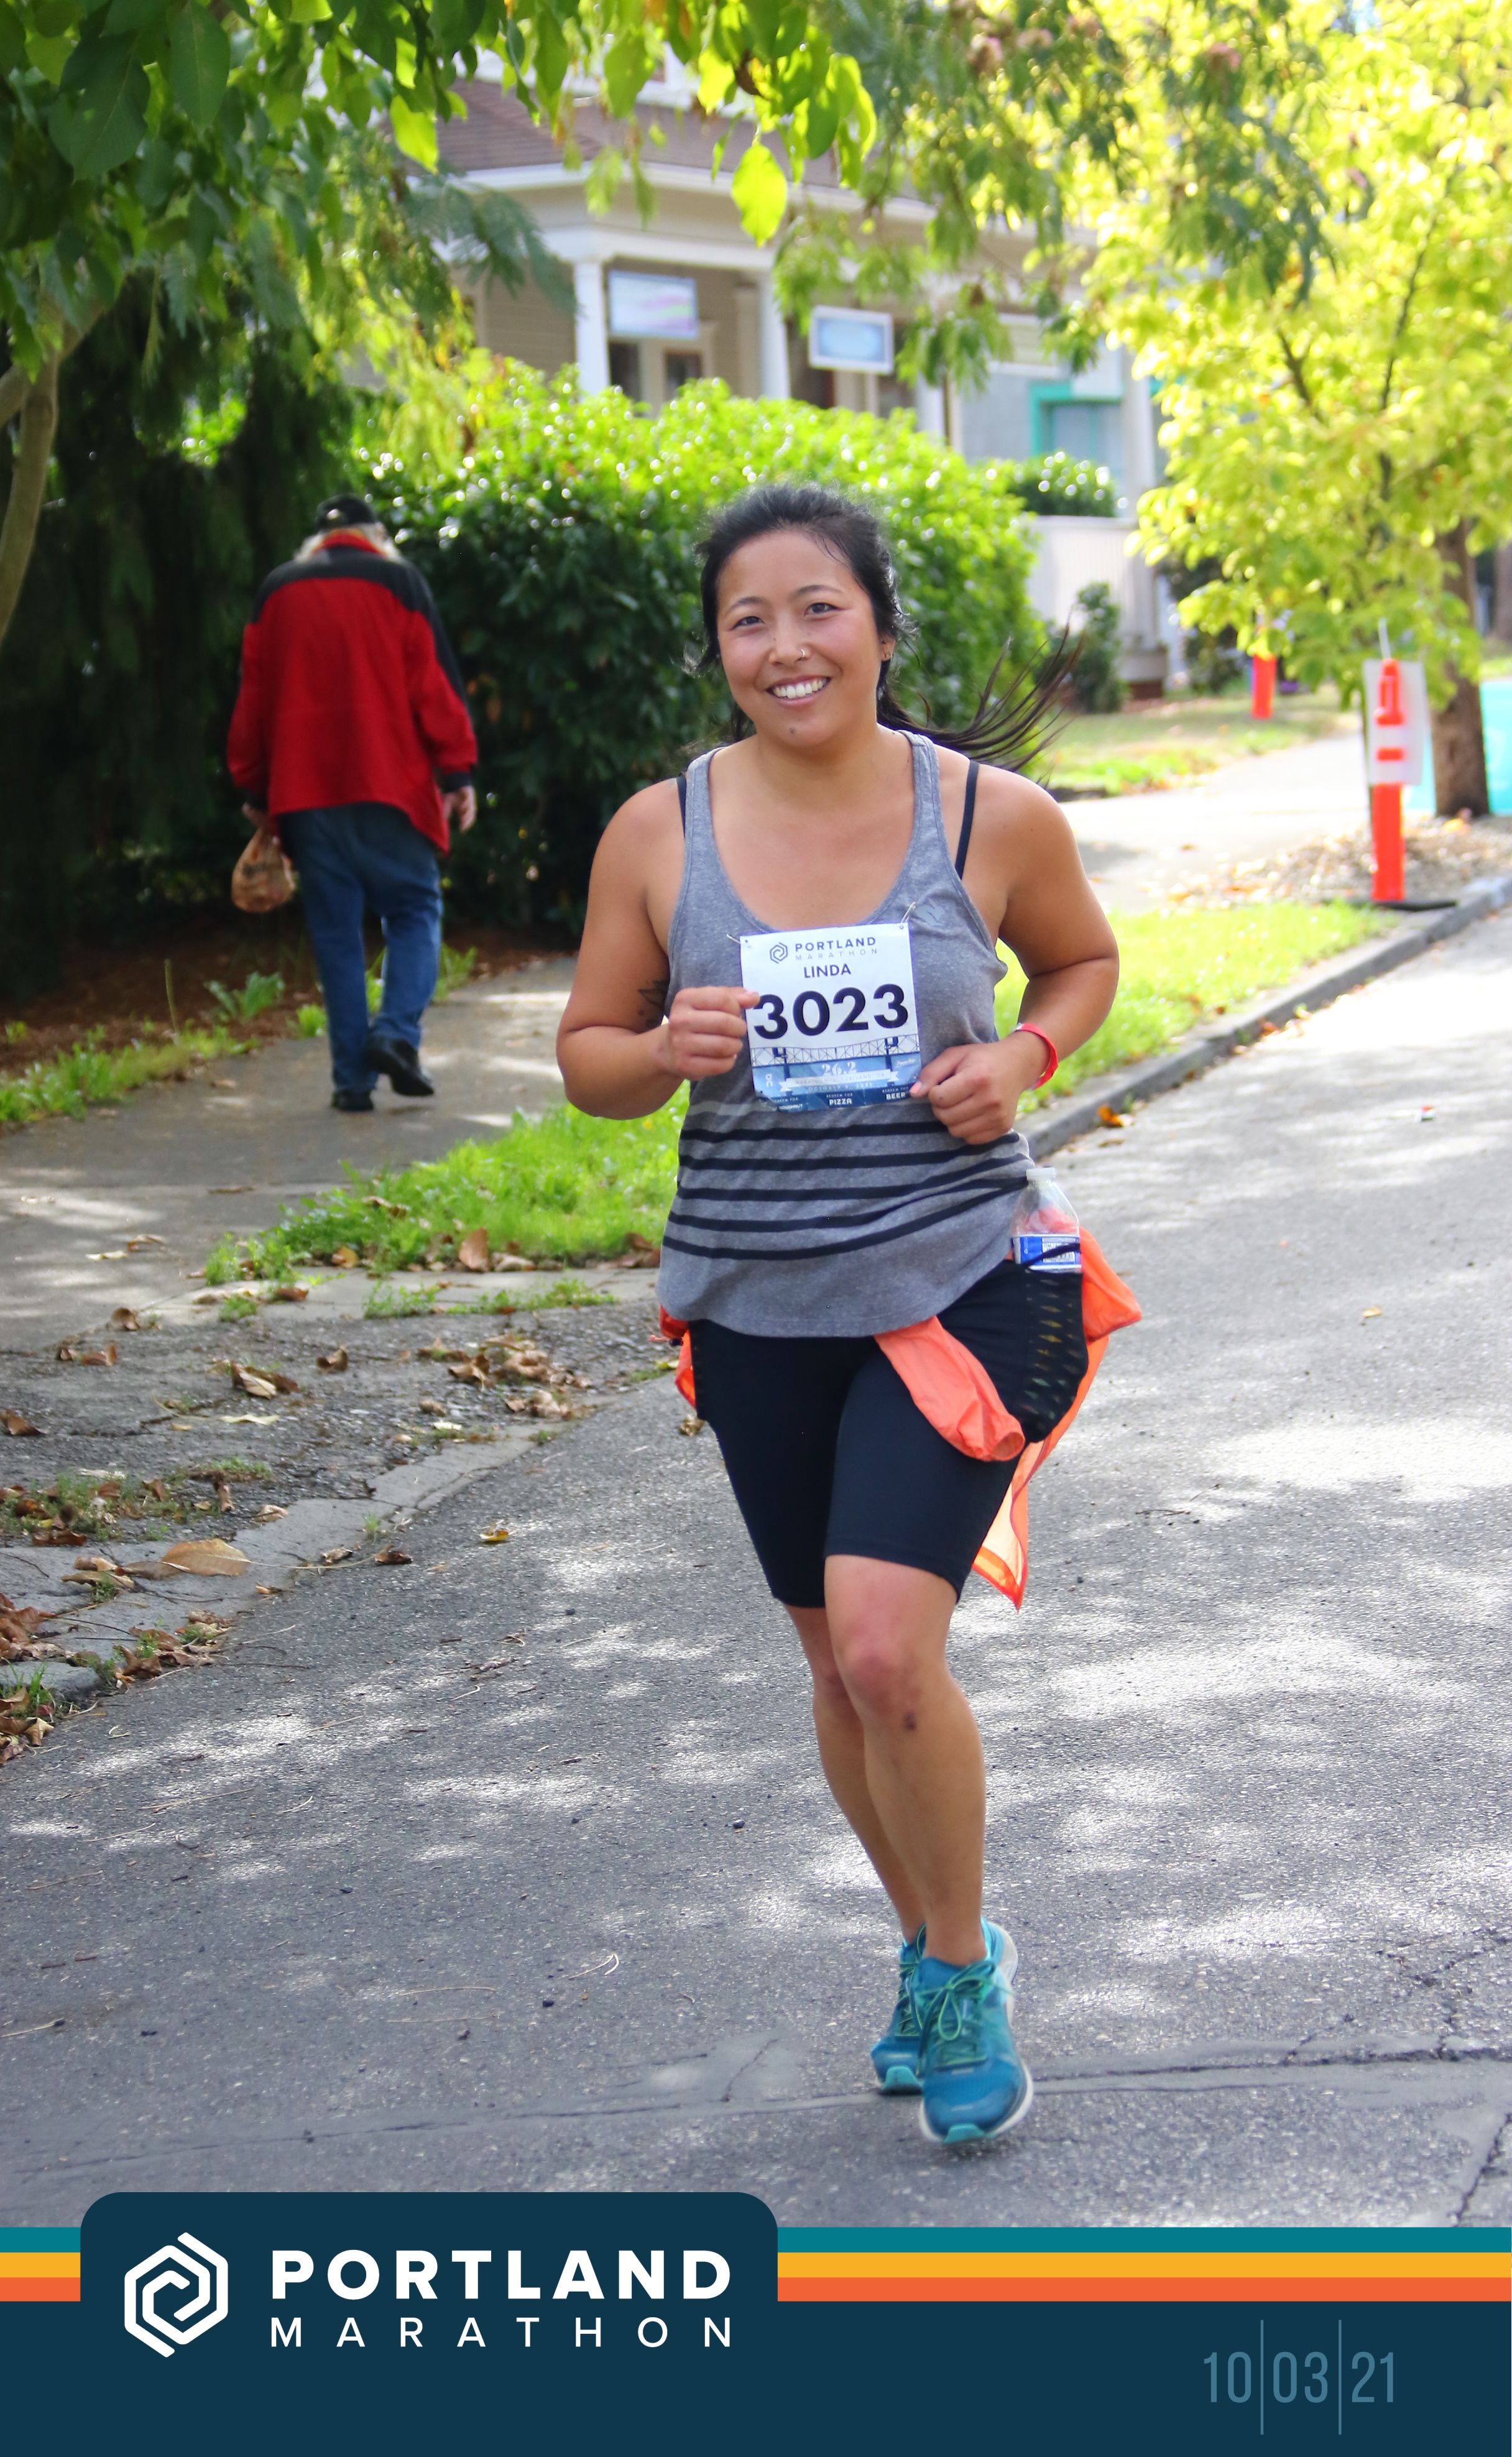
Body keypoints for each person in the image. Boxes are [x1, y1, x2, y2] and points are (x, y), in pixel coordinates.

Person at [556, 484, 1121, 2146]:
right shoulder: (657, 834)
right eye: (749, 619)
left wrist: (1022, 1054)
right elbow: (587, 1054)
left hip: (969, 1275)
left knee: (885, 1643)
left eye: (818, 608)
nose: (785, 645)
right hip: (756, 1291)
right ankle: (931, 1940)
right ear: (718, 652)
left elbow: (1082, 964)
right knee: (832, 1658)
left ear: (878, 625)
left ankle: (958, 1969)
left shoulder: (990, 814)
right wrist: (658, 1051)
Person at [228, 493, 479, 1112]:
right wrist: (457, 771)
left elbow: (254, 696)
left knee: (335, 934)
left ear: (316, 542)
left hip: (303, 793)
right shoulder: (399, 581)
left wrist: (256, 789)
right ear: (377, 536)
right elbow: (433, 683)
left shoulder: (277, 590)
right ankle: (394, 1033)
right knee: (415, 908)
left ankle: (351, 1083)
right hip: (390, 783)